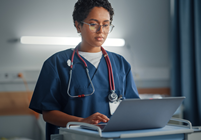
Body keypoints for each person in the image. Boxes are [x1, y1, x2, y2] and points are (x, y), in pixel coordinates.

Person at [29, 0, 139, 139]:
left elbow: (132, 108)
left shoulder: (120, 64)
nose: (101, 31)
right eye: (93, 24)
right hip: (72, 137)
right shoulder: (56, 63)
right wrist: (82, 122)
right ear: (78, 25)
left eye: (106, 25)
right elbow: (48, 114)